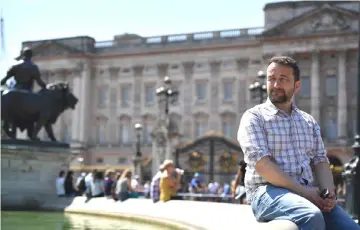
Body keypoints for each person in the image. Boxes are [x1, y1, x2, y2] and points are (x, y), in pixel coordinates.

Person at [237, 56, 360, 230]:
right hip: (266, 192)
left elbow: (320, 161)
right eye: (271, 79)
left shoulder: (308, 121)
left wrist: (329, 193)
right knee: (310, 216)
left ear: (297, 86)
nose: (276, 85)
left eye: (283, 79)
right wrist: (306, 192)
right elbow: (262, 165)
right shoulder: (254, 117)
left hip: (306, 193)